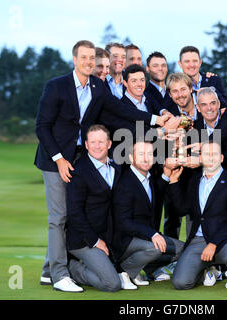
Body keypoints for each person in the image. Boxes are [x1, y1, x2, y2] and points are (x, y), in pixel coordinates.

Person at [34, 40, 169, 293]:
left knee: (81, 209)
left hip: (80, 157)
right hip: (55, 159)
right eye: (83, 58)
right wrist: (59, 159)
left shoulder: (97, 86)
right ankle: (59, 273)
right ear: (75, 59)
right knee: (60, 216)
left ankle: (48, 270)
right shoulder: (56, 86)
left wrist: (155, 119)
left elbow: (120, 109)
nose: (88, 62)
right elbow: (42, 127)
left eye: (91, 59)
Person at [165, 141, 227, 290]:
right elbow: (182, 209)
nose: (211, 158)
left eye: (214, 154)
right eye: (207, 155)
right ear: (201, 158)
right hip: (198, 240)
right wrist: (174, 182)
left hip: (224, 240)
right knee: (180, 282)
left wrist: (213, 243)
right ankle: (208, 268)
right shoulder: (194, 180)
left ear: (221, 158)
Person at [111, 140, 184, 289]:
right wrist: (152, 234)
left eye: (149, 154)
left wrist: (167, 174)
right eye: (141, 154)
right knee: (156, 248)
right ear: (131, 158)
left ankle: (138, 268)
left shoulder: (148, 178)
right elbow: (123, 221)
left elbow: (154, 195)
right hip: (124, 241)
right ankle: (123, 269)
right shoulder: (124, 182)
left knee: (184, 249)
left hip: (144, 237)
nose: (145, 158)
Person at [66, 125, 121, 292]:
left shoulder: (117, 167)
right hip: (84, 240)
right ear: (86, 145)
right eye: (93, 142)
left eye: (101, 142)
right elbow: (75, 214)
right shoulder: (79, 172)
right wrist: (96, 241)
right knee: (112, 284)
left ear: (109, 144)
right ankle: (73, 269)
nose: (97, 146)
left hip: (109, 237)